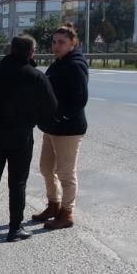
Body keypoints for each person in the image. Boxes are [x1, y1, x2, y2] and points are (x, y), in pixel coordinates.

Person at [0, 35, 57, 242]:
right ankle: (15, 229)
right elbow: (51, 107)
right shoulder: (35, 76)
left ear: (10, 50)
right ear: (31, 53)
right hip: (22, 136)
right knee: (17, 183)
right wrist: (33, 116)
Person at [33, 23, 89, 230]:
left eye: (61, 42)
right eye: (54, 42)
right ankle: (53, 205)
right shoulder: (58, 63)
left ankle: (67, 213)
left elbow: (80, 99)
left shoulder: (75, 65)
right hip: (52, 127)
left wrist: (60, 116)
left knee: (66, 173)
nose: (56, 46)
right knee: (46, 168)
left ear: (73, 43)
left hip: (69, 128)